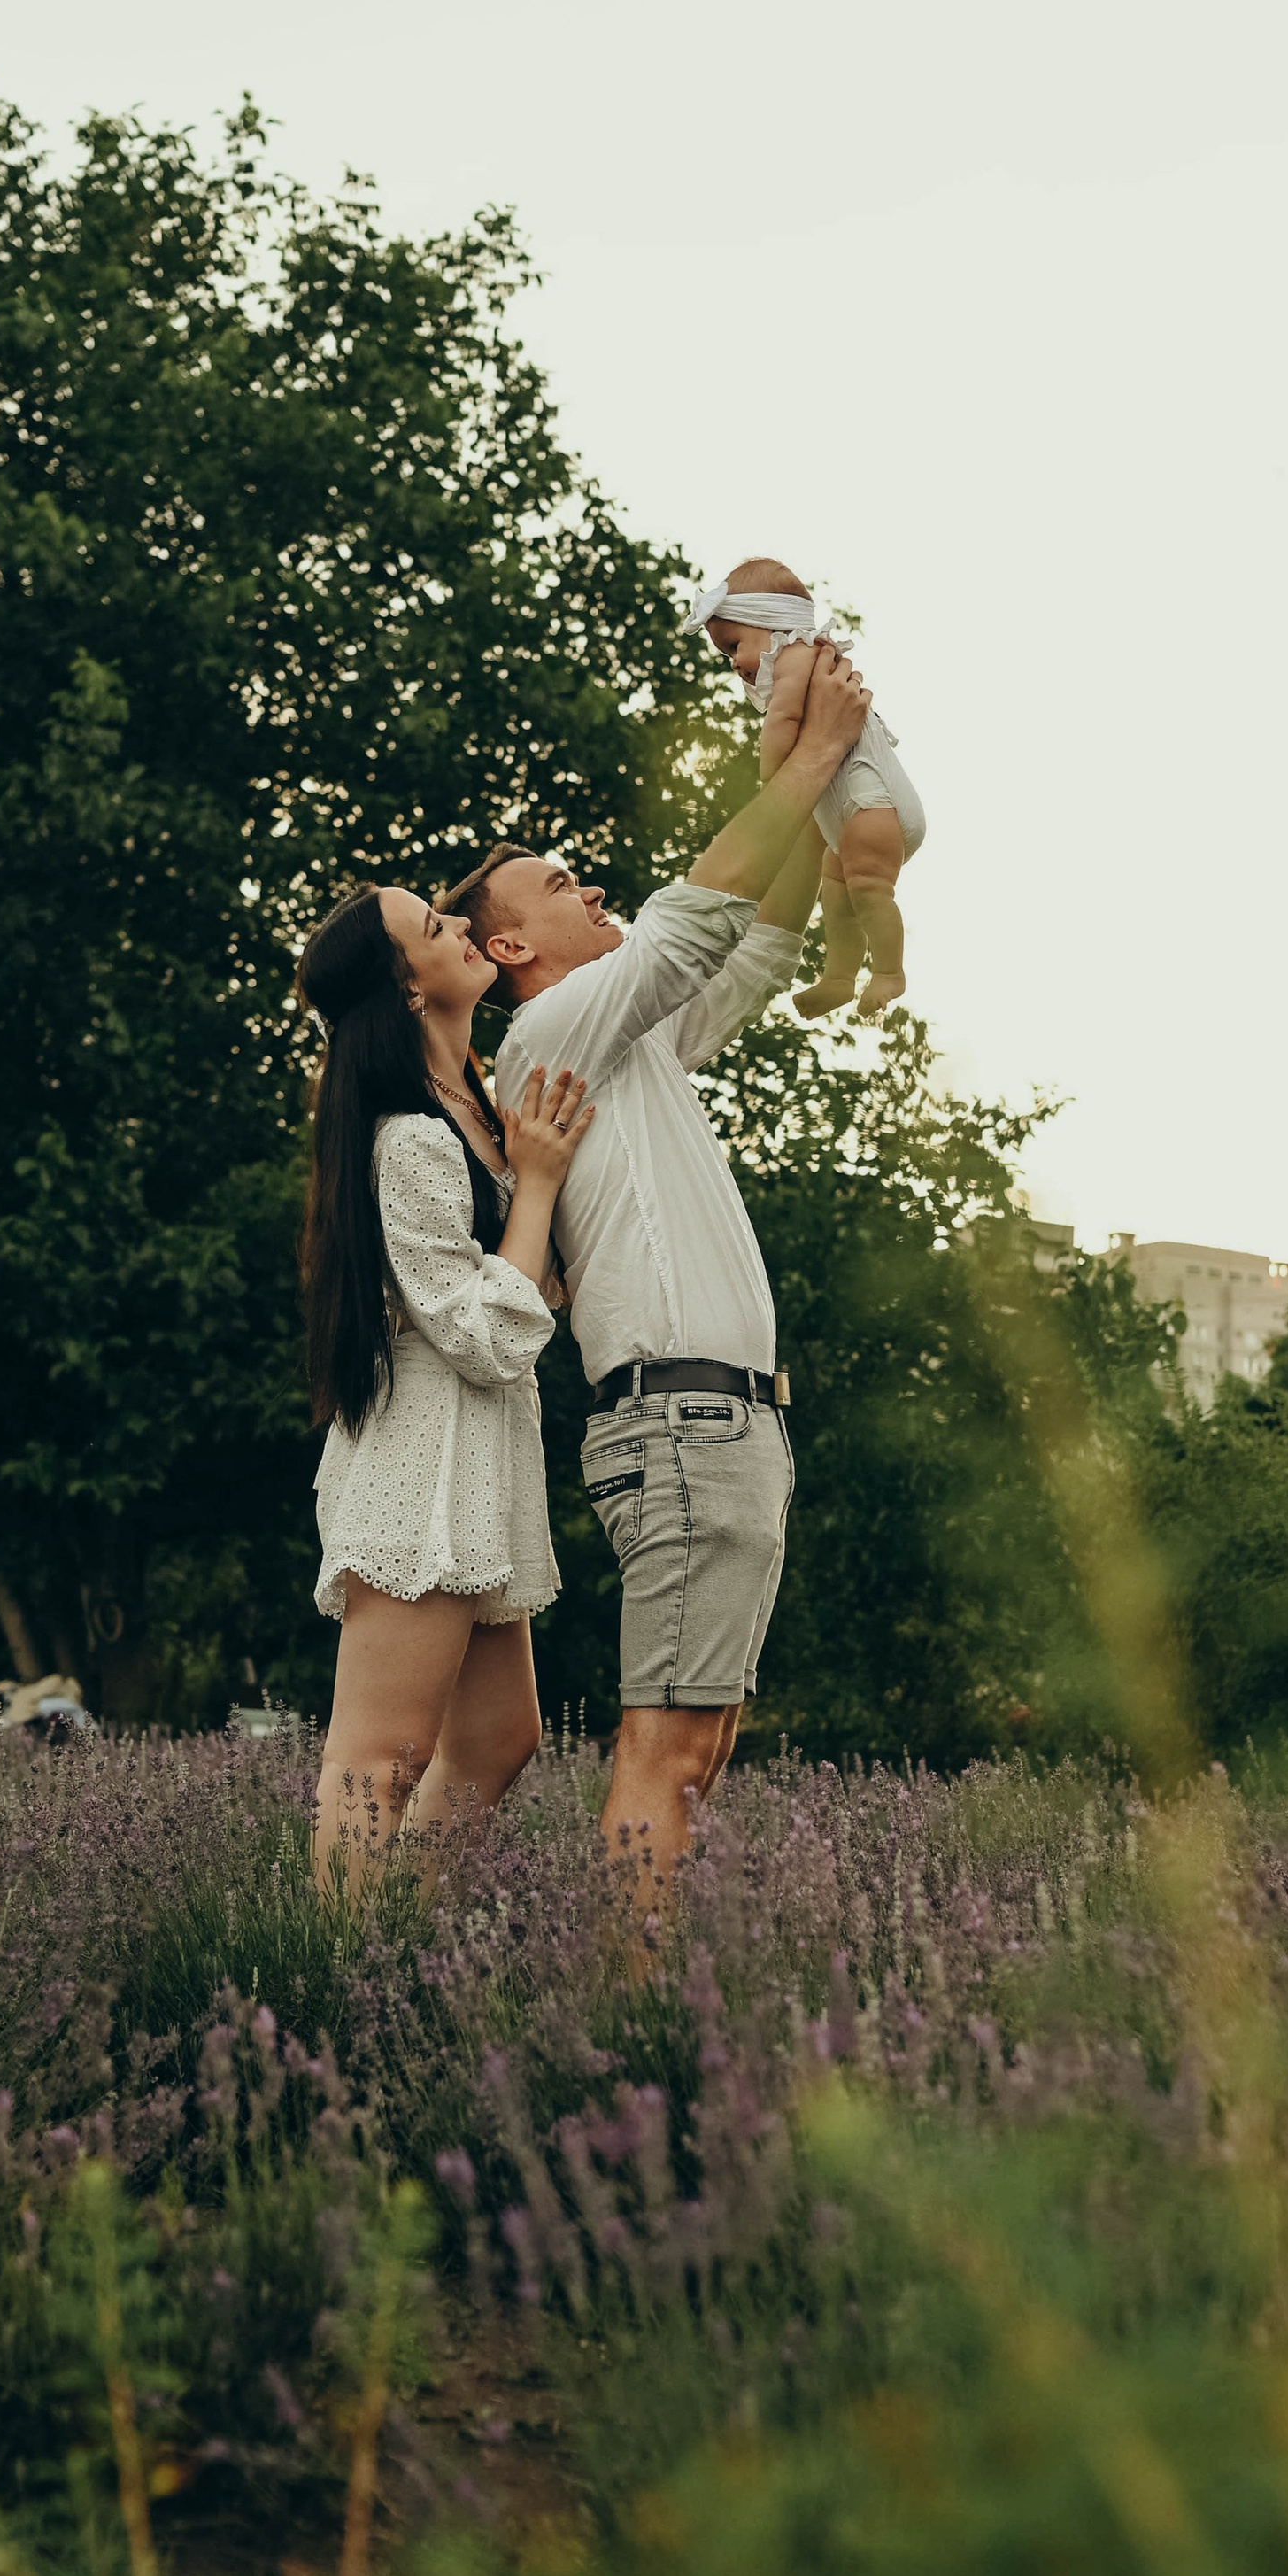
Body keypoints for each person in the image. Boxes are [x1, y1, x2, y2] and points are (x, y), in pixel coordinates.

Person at [445, 638, 872, 1891]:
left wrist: (800, 781)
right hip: (683, 1422)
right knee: (668, 1749)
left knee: (700, 1741)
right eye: (561, 886)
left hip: (721, 1425)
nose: (591, 890)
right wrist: (808, 757)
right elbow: (691, 925)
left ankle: (645, 2011)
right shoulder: (549, 1036)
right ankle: (634, 2032)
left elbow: (756, 940)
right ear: (513, 950)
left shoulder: (631, 1045)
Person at [296, 882, 596, 1896]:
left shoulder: (472, 1112)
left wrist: (531, 1182)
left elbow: (529, 1291)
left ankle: (398, 1946)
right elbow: (479, 1329)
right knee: (381, 1754)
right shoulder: (409, 1137)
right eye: (436, 927)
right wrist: (541, 1183)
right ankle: (332, 1978)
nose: (463, 927)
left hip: (480, 1462)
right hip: (421, 1465)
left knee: (501, 1738)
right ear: (405, 986)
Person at [688, 557, 926, 1017]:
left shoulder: (796, 654)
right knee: (840, 894)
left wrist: (774, 782)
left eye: (735, 644)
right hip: (850, 814)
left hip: (873, 803)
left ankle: (889, 972)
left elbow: (786, 719)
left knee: (870, 890)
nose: (734, 662)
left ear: (772, 623)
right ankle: (839, 976)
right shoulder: (804, 660)